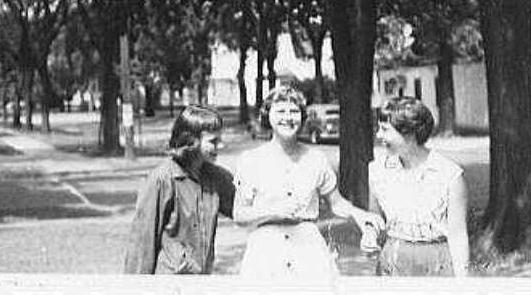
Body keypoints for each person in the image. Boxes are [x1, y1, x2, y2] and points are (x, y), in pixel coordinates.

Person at [232, 86, 384, 283]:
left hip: (308, 251)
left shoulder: (316, 159)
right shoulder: (251, 160)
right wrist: (272, 210)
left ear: (302, 117)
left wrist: (360, 215)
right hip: (265, 252)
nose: (288, 117)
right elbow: (239, 214)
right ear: (267, 115)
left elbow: (336, 203)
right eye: (280, 111)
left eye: (294, 111)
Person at [123, 105, 235, 274]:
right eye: (213, 141)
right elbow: (142, 244)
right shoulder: (161, 180)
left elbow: (245, 208)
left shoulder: (216, 178)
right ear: (191, 141)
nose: (221, 146)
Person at [368, 97, 469, 276]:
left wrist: (462, 282)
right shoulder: (377, 171)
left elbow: (458, 235)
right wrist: (369, 233)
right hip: (393, 261)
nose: (378, 135)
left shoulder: (449, 175)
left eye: (384, 129)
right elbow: (375, 217)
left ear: (409, 133)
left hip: (436, 264)